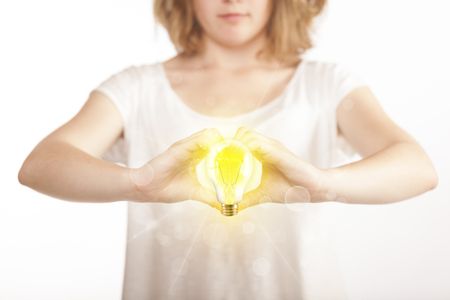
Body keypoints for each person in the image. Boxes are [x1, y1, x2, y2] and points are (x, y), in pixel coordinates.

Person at [18, 0, 439, 299]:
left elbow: (418, 167)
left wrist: (323, 184)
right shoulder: (137, 88)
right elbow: (42, 164)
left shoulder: (325, 84)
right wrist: (140, 182)